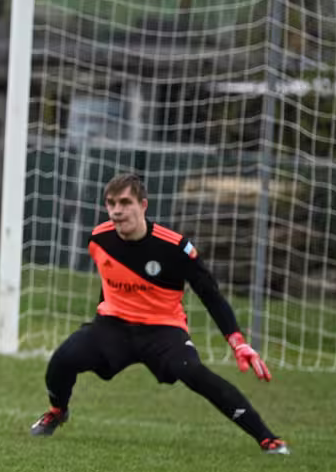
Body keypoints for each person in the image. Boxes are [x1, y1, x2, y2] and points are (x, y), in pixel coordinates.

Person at [30, 173, 290, 455]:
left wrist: (237, 342)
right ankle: (57, 411)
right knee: (63, 359)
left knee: (193, 373)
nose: (117, 210)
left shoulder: (176, 248)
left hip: (163, 329)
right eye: (111, 203)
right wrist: (101, 321)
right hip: (113, 325)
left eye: (125, 202)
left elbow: (210, 295)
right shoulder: (98, 239)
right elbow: (109, 280)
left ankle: (267, 438)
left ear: (143, 205)